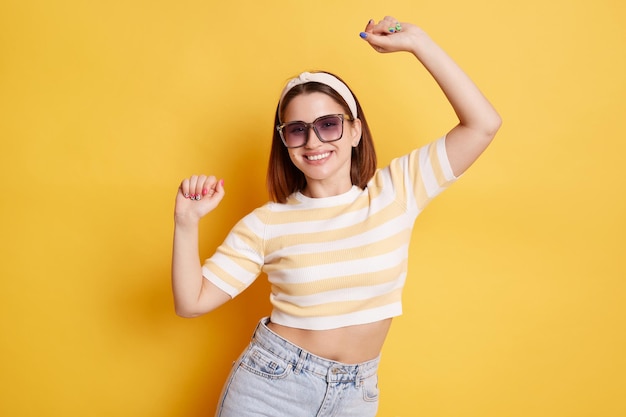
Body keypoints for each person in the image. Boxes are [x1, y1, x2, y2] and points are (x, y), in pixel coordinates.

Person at [171, 15, 501, 417]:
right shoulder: (266, 223)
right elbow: (192, 302)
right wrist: (187, 223)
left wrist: (419, 43)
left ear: (356, 131)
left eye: (329, 125)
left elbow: (483, 124)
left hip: (356, 394)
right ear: (285, 142)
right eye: (297, 130)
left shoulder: (397, 192)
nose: (314, 142)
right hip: (270, 388)